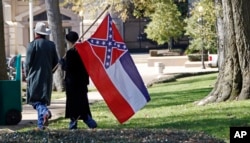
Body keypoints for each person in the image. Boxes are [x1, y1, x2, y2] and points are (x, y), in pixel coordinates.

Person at [25, 22, 59, 130]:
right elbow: (56, 62)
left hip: (34, 76)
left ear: (36, 33)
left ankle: (45, 112)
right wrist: (50, 71)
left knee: (35, 101)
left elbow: (28, 63)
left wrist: (27, 75)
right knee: (42, 101)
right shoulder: (51, 45)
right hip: (47, 76)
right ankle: (41, 126)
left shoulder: (32, 45)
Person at [60, 31, 97, 130]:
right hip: (82, 82)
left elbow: (69, 68)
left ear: (69, 41)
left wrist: (62, 64)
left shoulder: (71, 52)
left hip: (72, 83)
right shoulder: (84, 51)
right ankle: (88, 120)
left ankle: (73, 122)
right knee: (82, 101)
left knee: (72, 103)